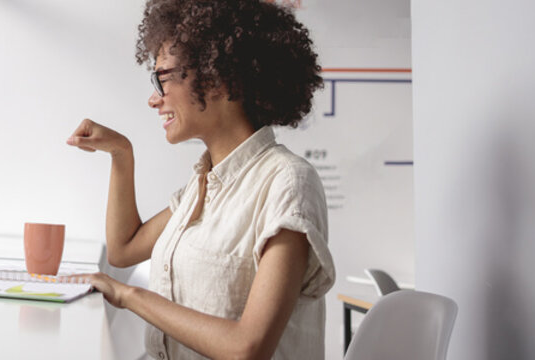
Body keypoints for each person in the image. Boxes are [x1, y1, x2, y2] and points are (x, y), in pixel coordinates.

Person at [65, 1, 334, 359]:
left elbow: (248, 348)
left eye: (163, 77)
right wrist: (121, 154)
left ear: (219, 77)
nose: (153, 98)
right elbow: (124, 249)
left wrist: (129, 296)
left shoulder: (288, 183)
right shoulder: (203, 186)